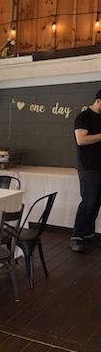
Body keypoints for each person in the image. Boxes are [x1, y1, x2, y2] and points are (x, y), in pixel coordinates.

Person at [71, 89, 101, 252]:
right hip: (88, 167)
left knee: (96, 202)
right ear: (98, 101)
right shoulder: (84, 117)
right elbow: (81, 140)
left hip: (99, 166)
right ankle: (76, 236)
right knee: (88, 202)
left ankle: (88, 233)